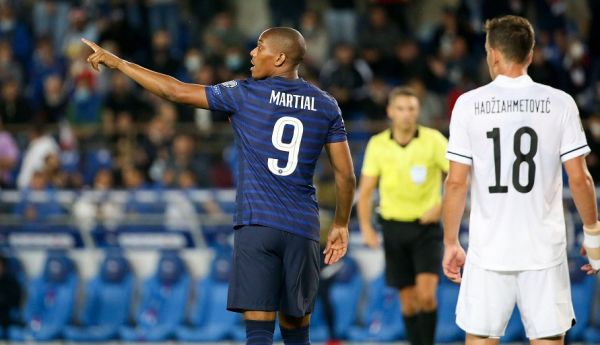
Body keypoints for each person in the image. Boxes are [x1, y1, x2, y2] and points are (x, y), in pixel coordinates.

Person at [81, 27, 356, 345]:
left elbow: (176, 91)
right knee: (297, 335)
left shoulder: (245, 93)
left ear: (280, 57)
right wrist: (340, 224)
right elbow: (345, 175)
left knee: (258, 334)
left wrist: (120, 64)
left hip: (258, 225)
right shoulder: (326, 105)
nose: (252, 54)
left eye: (259, 47)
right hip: (303, 228)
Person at [442, 15, 599, 345]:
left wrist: (450, 242)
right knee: (548, 339)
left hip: (489, 249)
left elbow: (456, 183)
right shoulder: (560, 103)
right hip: (543, 248)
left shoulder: (468, 105)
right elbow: (580, 178)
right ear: (529, 54)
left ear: (494, 54)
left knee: (482, 338)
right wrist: (593, 232)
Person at [357, 86, 449, 345]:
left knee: (427, 295)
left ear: (418, 111)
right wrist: (366, 228)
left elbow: (459, 177)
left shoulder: (434, 140)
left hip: (426, 229)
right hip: (393, 228)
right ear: (390, 111)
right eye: (400, 108)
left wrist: (441, 206)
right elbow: (365, 191)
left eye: (411, 108)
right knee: (407, 302)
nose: (406, 114)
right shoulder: (378, 144)